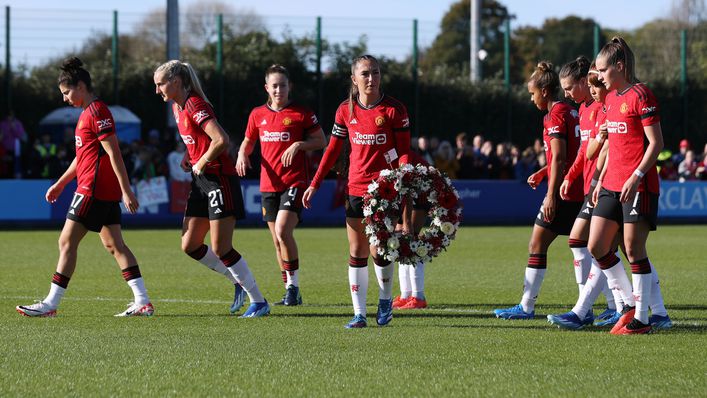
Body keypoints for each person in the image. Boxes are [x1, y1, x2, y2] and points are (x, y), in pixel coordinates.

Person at [16, 57, 153, 317]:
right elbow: (83, 157)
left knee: (66, 242)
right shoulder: (87, 114)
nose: (65, 98)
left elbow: (115, 154)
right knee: (115, 245)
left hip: (92, 191)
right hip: (99, 190)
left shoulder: (98, 112)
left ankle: (51, 304)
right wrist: (60, 183)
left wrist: (126, 190)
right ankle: (143, 300)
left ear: (81, 86)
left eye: (67, 92)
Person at [302, 55, 411, 328]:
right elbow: (332, 151)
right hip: (355, 188)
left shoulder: (394, 110)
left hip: (385, 189)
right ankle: (359, 314)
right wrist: (315, 183)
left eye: (375, 73)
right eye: (365, 74)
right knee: (356, 249)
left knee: (378, 249)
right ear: (354, 79)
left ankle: (385, 300)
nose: (371, 78)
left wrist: (404, 178)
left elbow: (405, 151)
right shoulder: (344, 110)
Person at [153, 60, 268, 317]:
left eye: (160, 84)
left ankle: (259, 301)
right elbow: (197, 139)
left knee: (221, 247)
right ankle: (237, 281)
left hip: (218, 179)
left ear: (176, 81)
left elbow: (221, 140)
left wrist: (202, 160)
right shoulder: (176, 107)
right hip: (201, 180)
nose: (157, 90)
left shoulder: (195, 104)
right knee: (190, 244)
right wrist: (189, 155)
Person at [589, 37, 670, 334]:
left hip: (639, 185)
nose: (598, 76)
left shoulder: (641, 95)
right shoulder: (609, 100)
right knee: (596, 246)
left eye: (602, 70)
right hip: (611, 184)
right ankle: (630, 305)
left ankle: (642, 321)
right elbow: (614, 147)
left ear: (619, 67)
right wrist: (599, 180)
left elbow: (656, 143)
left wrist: (636, 176)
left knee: (634, 249)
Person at [493, 61, 583, 320]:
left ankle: (527, 306)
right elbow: (571, 155)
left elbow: (558, 157)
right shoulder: (572, 111)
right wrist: (543, 172)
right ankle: (609, 304)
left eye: (532, 94)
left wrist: (551, 194)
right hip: (578, 187)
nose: (531, 99)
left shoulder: (554, 115)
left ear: (544, 91)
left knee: (538, 243)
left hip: (565, 191)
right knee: (588, 248)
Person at [236, 64, 326, 306]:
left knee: (283, 231)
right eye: (274, 86)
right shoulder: (257, 114)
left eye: (283, 85)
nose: (279, 90)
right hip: (268, 184)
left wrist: (298, 145)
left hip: (294, 181)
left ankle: (294, 288)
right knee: (277, 240)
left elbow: (321, 141)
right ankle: (289, 289)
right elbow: (248, 141)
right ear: (267, 88)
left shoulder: (301, 113)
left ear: (289, 87)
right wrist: (242, 154)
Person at [546, 58, 620, 329]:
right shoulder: (586, 111)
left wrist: (599, 176)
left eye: (568, 87)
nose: (565, 93)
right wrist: (571, 176)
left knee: (614, 248)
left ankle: (599, 308)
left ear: (582, 82)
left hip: (608, 184)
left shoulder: (604, 107)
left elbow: (606, 150)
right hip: (594, 186)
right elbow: (584, 152)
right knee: (593, 245)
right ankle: (615, 307)